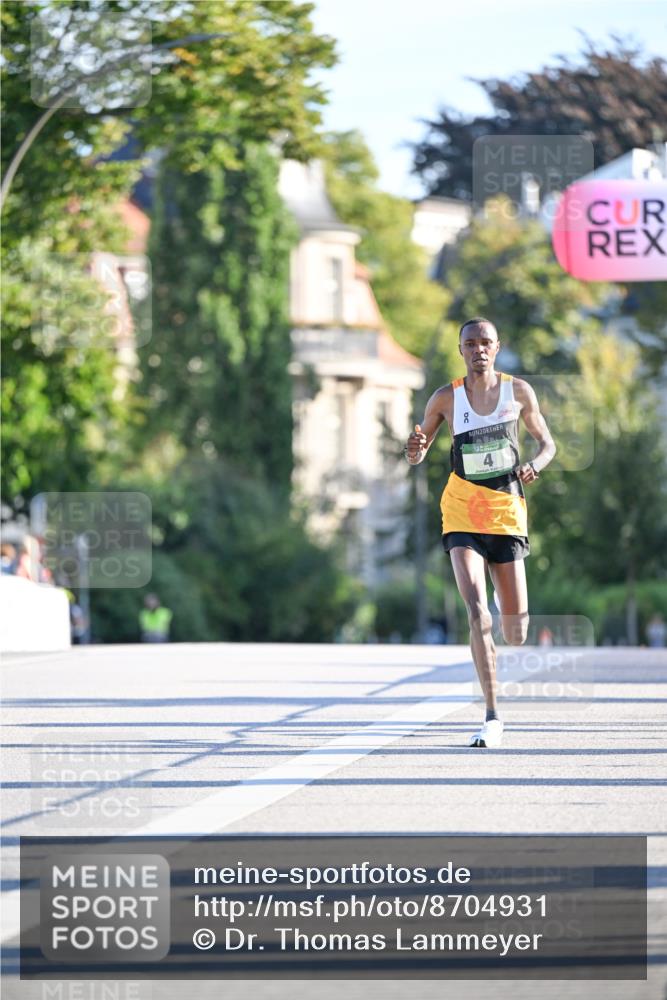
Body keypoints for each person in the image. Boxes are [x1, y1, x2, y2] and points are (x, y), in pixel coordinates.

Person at [404, 317, 556, 748]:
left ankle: (502, 601)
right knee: (477, 614)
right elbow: (418, 451)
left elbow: (548, 445)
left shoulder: (518, 392)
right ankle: (492, 716)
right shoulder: (446, 398)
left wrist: (535, 465)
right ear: (461, 350)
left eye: (485, 342)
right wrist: (413, 450)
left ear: (497, 347)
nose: (478, 350)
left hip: (505, 514)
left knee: (516, 632)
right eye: (470, 344)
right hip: (461, 512)